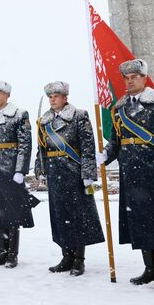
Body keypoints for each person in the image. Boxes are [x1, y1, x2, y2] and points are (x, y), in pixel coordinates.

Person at [97, 59, 154, 290]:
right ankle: (150, 269)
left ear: (144, 78)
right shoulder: (119, 108)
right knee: (140, 220)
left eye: (134, 77)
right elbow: (116, 141)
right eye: (126, 78)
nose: (129, 81)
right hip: (131, 171)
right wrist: (105, 155)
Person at [35, 81, 105, 276]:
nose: (52, 99)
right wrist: (40, 169)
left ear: (65, 98)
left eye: (56, 96)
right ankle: (66, 257)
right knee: (60, 217)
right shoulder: (44, 120)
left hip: (73, 173)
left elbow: (87, 147)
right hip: (54, 172)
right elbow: (41, 148)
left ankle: (79, 260)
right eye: (50, 96)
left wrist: (88, 174)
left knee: (77, 216)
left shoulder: (79, 116)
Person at [0, 81, 39, 268]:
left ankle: (12, 254)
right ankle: (1, 252)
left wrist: (20, 170)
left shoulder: (19, 115)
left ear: (7, 96)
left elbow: (25, 145)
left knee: (12, 211)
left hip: (10, 170)